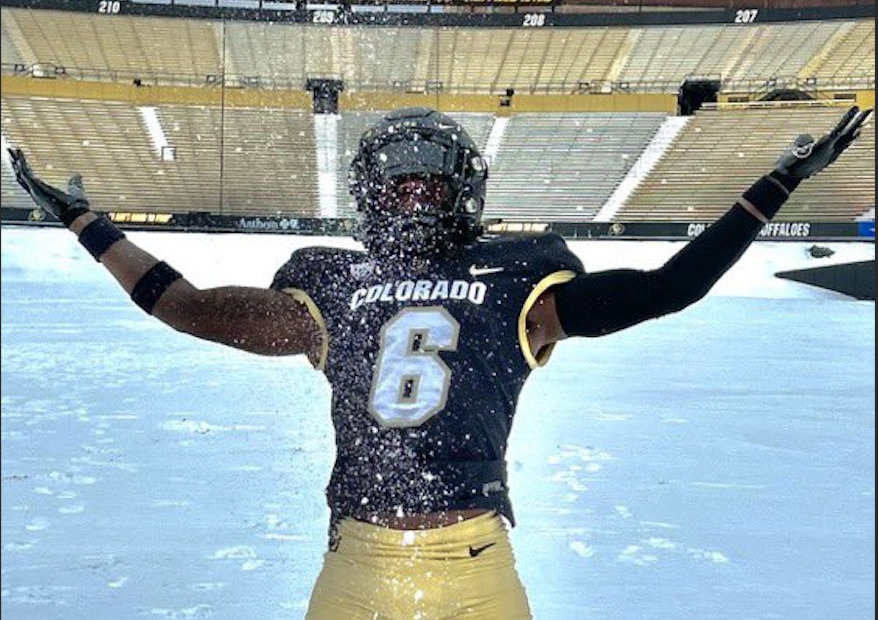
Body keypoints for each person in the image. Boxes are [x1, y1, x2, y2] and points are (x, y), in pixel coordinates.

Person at [8, 105, 872, 620]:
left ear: (464, 188)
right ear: (368, 196)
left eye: (429, 181)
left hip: (474, 565)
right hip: (355, 564)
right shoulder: (329, 289)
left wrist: (778, 182)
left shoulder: (519, 284)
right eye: (398, 183)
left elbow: (668, 286)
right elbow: (187, 309)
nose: (413, 195)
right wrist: (86, 224)